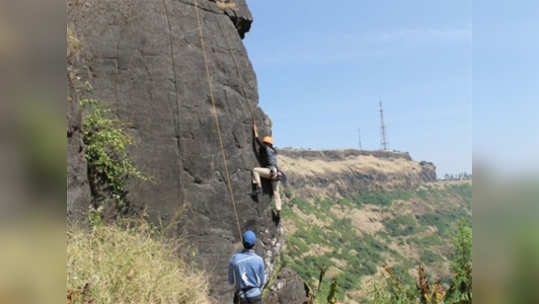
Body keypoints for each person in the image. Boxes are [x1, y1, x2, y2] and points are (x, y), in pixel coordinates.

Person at [251, 124, 283, 219]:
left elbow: (258, 143)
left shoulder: (266, 148)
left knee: (255, 170)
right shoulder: (273, 151)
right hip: (277, 173)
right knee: (276, 192)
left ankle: (259, 187)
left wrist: (255, 133)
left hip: (270, 172)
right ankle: (278, 210)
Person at [228, 230, 265, 304]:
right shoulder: (259, 260)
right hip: (255, 296)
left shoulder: (234, 258)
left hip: (240, 297)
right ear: (254, 244)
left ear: (243, 242)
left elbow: (231, 281)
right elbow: (262, 282)